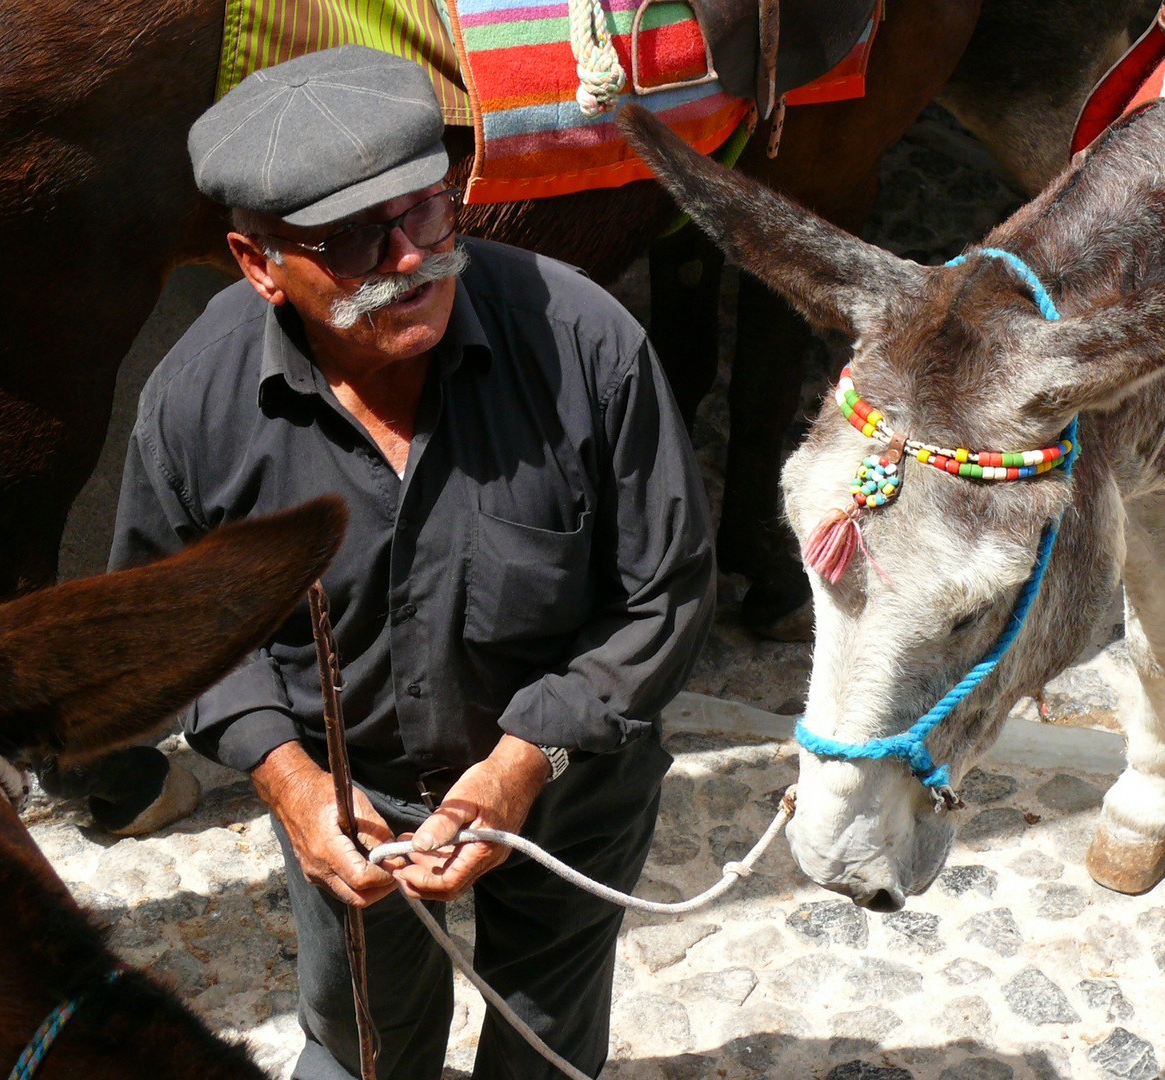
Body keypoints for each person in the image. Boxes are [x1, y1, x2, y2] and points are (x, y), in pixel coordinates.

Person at [108, 45, 716, 1080]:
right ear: (259, 265)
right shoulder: (194, 404)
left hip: (570, 790)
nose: (406, 260)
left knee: (546, 1043)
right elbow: (169, 627)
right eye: (347, 242)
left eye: (425, 213)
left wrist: (527, 760)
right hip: (351, 808)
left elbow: (662, 590)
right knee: (360, 1047)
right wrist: (290, 779)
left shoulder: (587, 345)